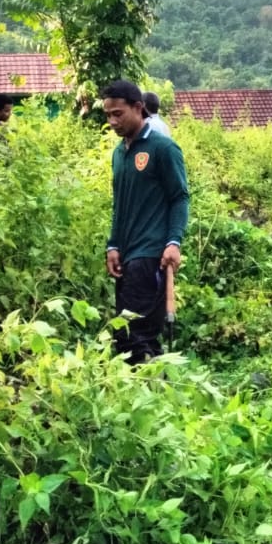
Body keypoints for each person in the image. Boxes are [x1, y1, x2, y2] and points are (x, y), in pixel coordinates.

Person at [101, 81, 188, 363]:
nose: (113, 121)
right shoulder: (119, 152)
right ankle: (143, 392)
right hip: (125, 255)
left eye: (118, 113)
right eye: (108, 115)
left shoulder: (163, 148)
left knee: (138, 334)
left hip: (151, 254)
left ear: (138, 108)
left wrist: (174, 242)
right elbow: (120, 203)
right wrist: (113, 245)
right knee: (124, 330)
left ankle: (154, 394)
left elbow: (179, 198)